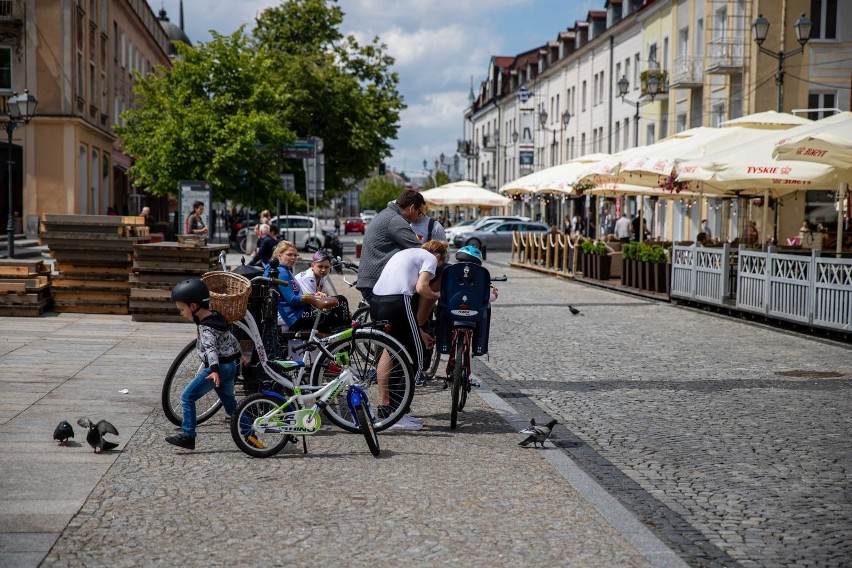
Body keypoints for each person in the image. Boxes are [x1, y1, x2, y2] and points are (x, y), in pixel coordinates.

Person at [370, 240, 448, 430]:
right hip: (398, 301)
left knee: (389, 352)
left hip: (377, 301)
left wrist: (419, 332)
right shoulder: (430, 258)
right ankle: (399, 412)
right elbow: (422, 288)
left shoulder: (406, 254)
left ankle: (386, 408)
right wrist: (440, 295)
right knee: (415, 358)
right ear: (439, 257)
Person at [165, 279, 241, 450]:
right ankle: (248, 433)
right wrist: (240, 354)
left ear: (193, 307)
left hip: (218, 369)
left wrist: (213, 370)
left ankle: (188, 435)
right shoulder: (218, 317)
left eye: (182, 309)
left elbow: (211, 350)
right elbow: (231, 339)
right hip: (230, 366)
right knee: (230, 404)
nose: (181, 313)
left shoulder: (205, 327)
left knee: (187, 397)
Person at [356, 189, 425, 303]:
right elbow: (420, 250)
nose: (418, 218)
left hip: (371, 281)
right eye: (420, 213)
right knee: (403, 319)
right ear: (412, 208)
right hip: (376, 283)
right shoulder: (396, 221)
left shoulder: (387, 214)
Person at [266, 240, 340, 334]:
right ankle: (340, 346)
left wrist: (313, 296)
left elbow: (298, 294)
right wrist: (313, 298)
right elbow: (292, 299)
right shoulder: (281, 272)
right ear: (279, 255)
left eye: (295, 255)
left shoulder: (285, 270)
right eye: (289, 255)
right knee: (335, 318)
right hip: (292, 317)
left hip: (296, 313)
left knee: (337, 309)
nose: (293, 258)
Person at [294, 250, 351, 331]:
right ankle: (347, 332)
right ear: (312, 265)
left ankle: (344, 333)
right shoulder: (308, 277)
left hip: (309, 310)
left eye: (326, 267)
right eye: (320, 267)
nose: (323, 270)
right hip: (301, 313)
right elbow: (314, 302)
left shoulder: (321, 277)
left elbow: (324, 296)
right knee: (342, 300)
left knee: (340, 316)